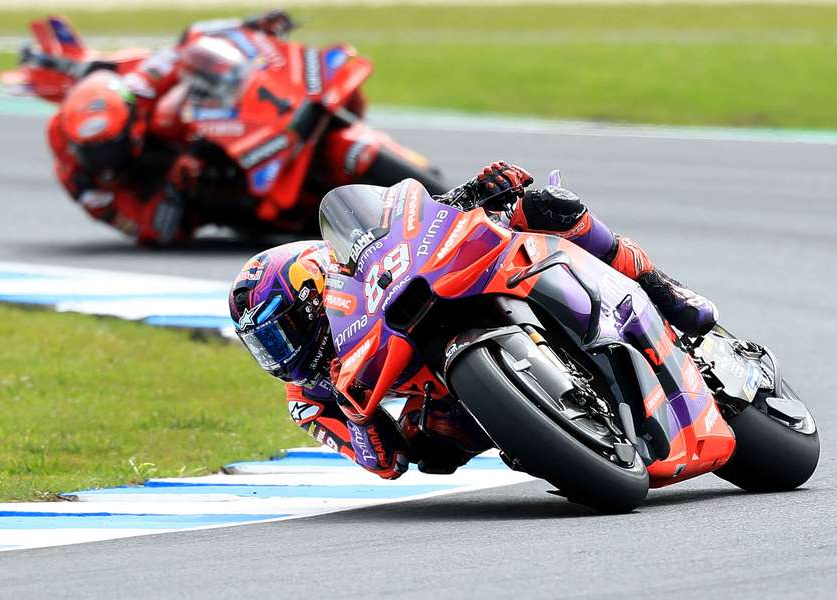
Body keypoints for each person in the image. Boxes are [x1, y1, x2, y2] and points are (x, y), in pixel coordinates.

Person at [228, 162, 719, 480]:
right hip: (443, 395)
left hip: (455, 285)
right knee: (432, 452)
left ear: (316, 294)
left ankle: (661, 288)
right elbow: (385, 462)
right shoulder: (307, 399)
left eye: (282, 331)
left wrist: (477, 191)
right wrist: (354, 412)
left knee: (545, 207)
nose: (281, 353)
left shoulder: (354, 275)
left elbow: (411, 228)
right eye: (264, 345)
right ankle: (545, 435)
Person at [46, 11, 293, 245]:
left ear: (130, 125)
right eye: (95, 153)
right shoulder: (81, 182)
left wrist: (249, 26)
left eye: (110, 149)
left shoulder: (137, 89)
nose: (106, 160)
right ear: (75, 146)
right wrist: (173, 186)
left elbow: (188, 42)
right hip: (174, 193)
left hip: (197, 134)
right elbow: (146, 229)